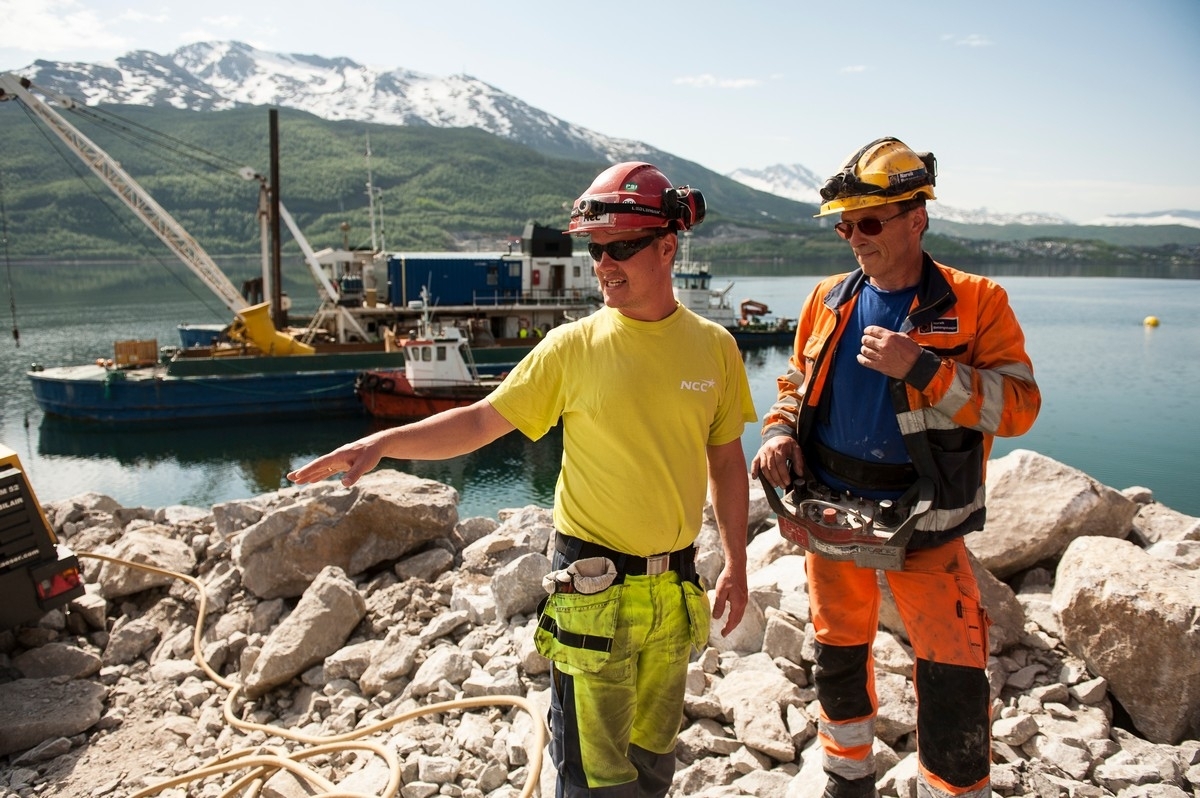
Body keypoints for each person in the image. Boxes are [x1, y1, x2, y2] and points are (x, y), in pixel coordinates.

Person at [289, 161, 756, 797]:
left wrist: (736, 558)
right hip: (595, 586)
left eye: (621, 248)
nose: (603, 265)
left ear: (668, 246)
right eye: (596, 250)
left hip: (672, 588)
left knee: (652, 759)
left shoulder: (714, 348)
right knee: (592, 775)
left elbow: (726, 460)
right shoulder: (573, 347)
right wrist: (384, 444)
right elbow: (483, 421)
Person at [751, 137, 1040, 798]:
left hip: (925, 521)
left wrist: (925, 370)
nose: (854, 236)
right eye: (845, 224)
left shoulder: (976, 302)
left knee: (951, 669)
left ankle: (954, 789)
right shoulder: (829, 299)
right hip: (832, 513)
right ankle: (846, 778)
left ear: (918, 218)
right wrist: (778, 432)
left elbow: (1019, 406)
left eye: (870, 222)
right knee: (838, 652)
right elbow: (795, 383)